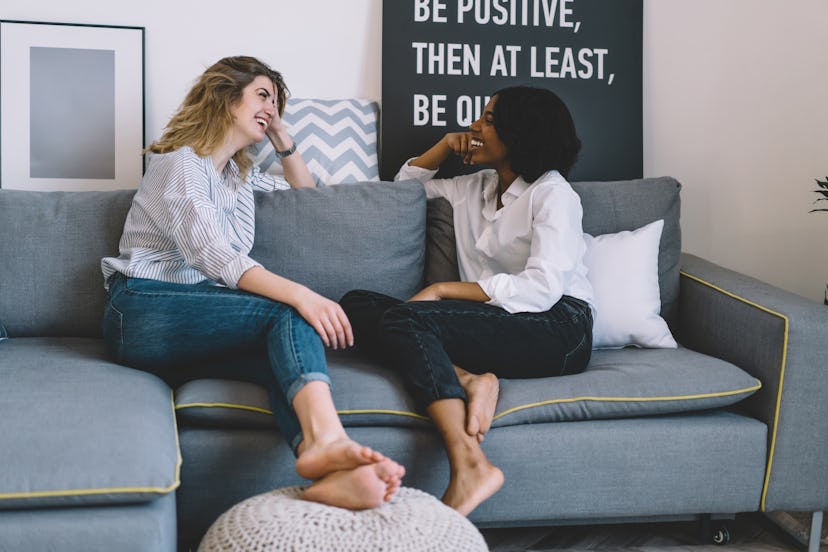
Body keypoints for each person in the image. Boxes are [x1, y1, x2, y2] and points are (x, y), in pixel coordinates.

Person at [101, 56, 404, 510]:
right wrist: (303, 295)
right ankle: (331, 443)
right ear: (226, 97)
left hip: (195, 321)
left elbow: (309, 197)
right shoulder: (179, 163)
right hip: (142, 308)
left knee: (282, 358)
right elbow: (211, 254)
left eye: (277, 102)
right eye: (263, 95)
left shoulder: (238, 179)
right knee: (288, 312)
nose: (271, 107)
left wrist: (281, 136)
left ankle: (329, 468)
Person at [340, 86, 594, 516]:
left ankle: (470, 465)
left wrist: (442, 290)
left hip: (559, 326)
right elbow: (401, 193)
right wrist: (442, 147)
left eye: (489, 121)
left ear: (521, 134)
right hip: (494, 319)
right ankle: (471, 379)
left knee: (407, 320)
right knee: (354, 303)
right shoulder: (473, 187)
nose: (474, 127)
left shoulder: (553, 194)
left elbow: (543, 287)